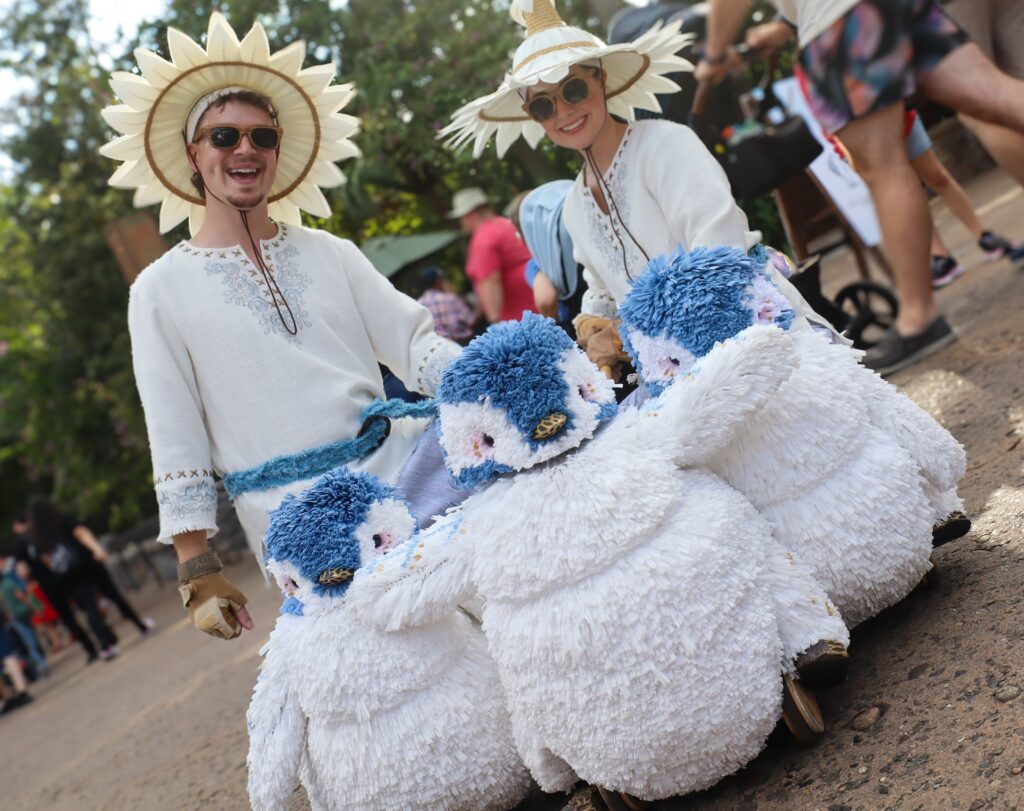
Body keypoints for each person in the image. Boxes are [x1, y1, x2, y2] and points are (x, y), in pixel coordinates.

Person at [100, 13, 461, 640]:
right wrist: (197, 567)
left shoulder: (333, 253)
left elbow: (416, 344)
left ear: (276, 151)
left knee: (475, 636)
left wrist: (490, 382)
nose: (244, 150)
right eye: (223, 136)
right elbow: (175, 435)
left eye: (261, 137)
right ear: (193, 153)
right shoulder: (158, 291)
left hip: (401, 483)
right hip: (292, 524)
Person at [442, 0, 831, 377]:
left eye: (573, 89)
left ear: (601, 80)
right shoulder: (574, 205)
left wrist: (648, 336)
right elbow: (601, 292)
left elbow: (722, 254)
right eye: (544, 106)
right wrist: (597, 329)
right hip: (673, 376)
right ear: (534, 117)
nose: (563, 112)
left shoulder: (667, 144)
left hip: (760, 339)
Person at [697, 0, 1024, 374]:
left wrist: (713, 53)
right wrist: (787, 24)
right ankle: (919, 317)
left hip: (840, 22)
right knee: (998, 95)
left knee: (882, 165)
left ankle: (919, 319)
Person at [744, 19, 1020, 288]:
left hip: (893, 110)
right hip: (858, 125)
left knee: (935, 176)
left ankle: (982, 234)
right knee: (902, 186)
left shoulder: (839, 30)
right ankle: (940, 255)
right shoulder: (809, 61)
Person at [26, 496, 120, 661]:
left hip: (64, 578)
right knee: (93, 607)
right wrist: (97, 550)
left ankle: (104, 641)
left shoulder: (37, 536)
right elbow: (81, 533)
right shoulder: (62, 520)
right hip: (80, 568)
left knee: (87, 608)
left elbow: (46, 560)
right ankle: (105, 643)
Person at [11, 513, 101, 663]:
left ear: (17, 525)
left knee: (67, 617)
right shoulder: (44, 529)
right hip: (65, 574)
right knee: (85, 605)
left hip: (47, 583)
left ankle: (90, 648)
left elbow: (22, 571)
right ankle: (104, 636)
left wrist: (29, 577)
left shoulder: (19, 544)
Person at [448, 187, 537, 323]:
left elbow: (490, 280)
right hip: (539, 306)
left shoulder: (483, 236)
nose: (462, 222)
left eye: (461, 218)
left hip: (520, 320)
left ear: (469, 214)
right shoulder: (508, 224)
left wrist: (495, 321)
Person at [416, 266, 477, 343]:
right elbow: (471, 320)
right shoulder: (451, 299)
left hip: (438, 349)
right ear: (438, 281)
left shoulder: (418, 305)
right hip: (462, 345)